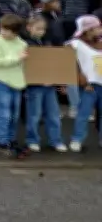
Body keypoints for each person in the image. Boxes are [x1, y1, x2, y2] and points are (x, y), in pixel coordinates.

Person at [23, 15, 67, 153]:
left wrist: (58, 81)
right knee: (34, 115)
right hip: (34, 86)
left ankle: (56, 140)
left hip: (49, 85)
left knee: (53, 114)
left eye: (43, 29)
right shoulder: (25, 44)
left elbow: (52, 63)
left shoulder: (47, 43)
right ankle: (32, 140)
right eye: (38, 29)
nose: (41, 31)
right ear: (29, 28)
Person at [0, 14, 28, 158]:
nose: (2, 32)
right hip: (2, 80)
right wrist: (17, 58)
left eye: (6, 30)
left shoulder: (22, 44)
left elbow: (25, 65)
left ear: (15, 31)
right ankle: (2, 142)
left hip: (17, 82)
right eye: (1, 29)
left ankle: (12, 140)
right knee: (4, 113)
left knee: (15, 114)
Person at [68, 15, 102, 152]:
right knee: (83, 113)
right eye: (97, 27)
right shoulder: (76, 44)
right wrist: (80, 77)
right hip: (89, 85)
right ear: (87, 30)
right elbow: (67, 58)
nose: (100, 30)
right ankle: (77, 139)